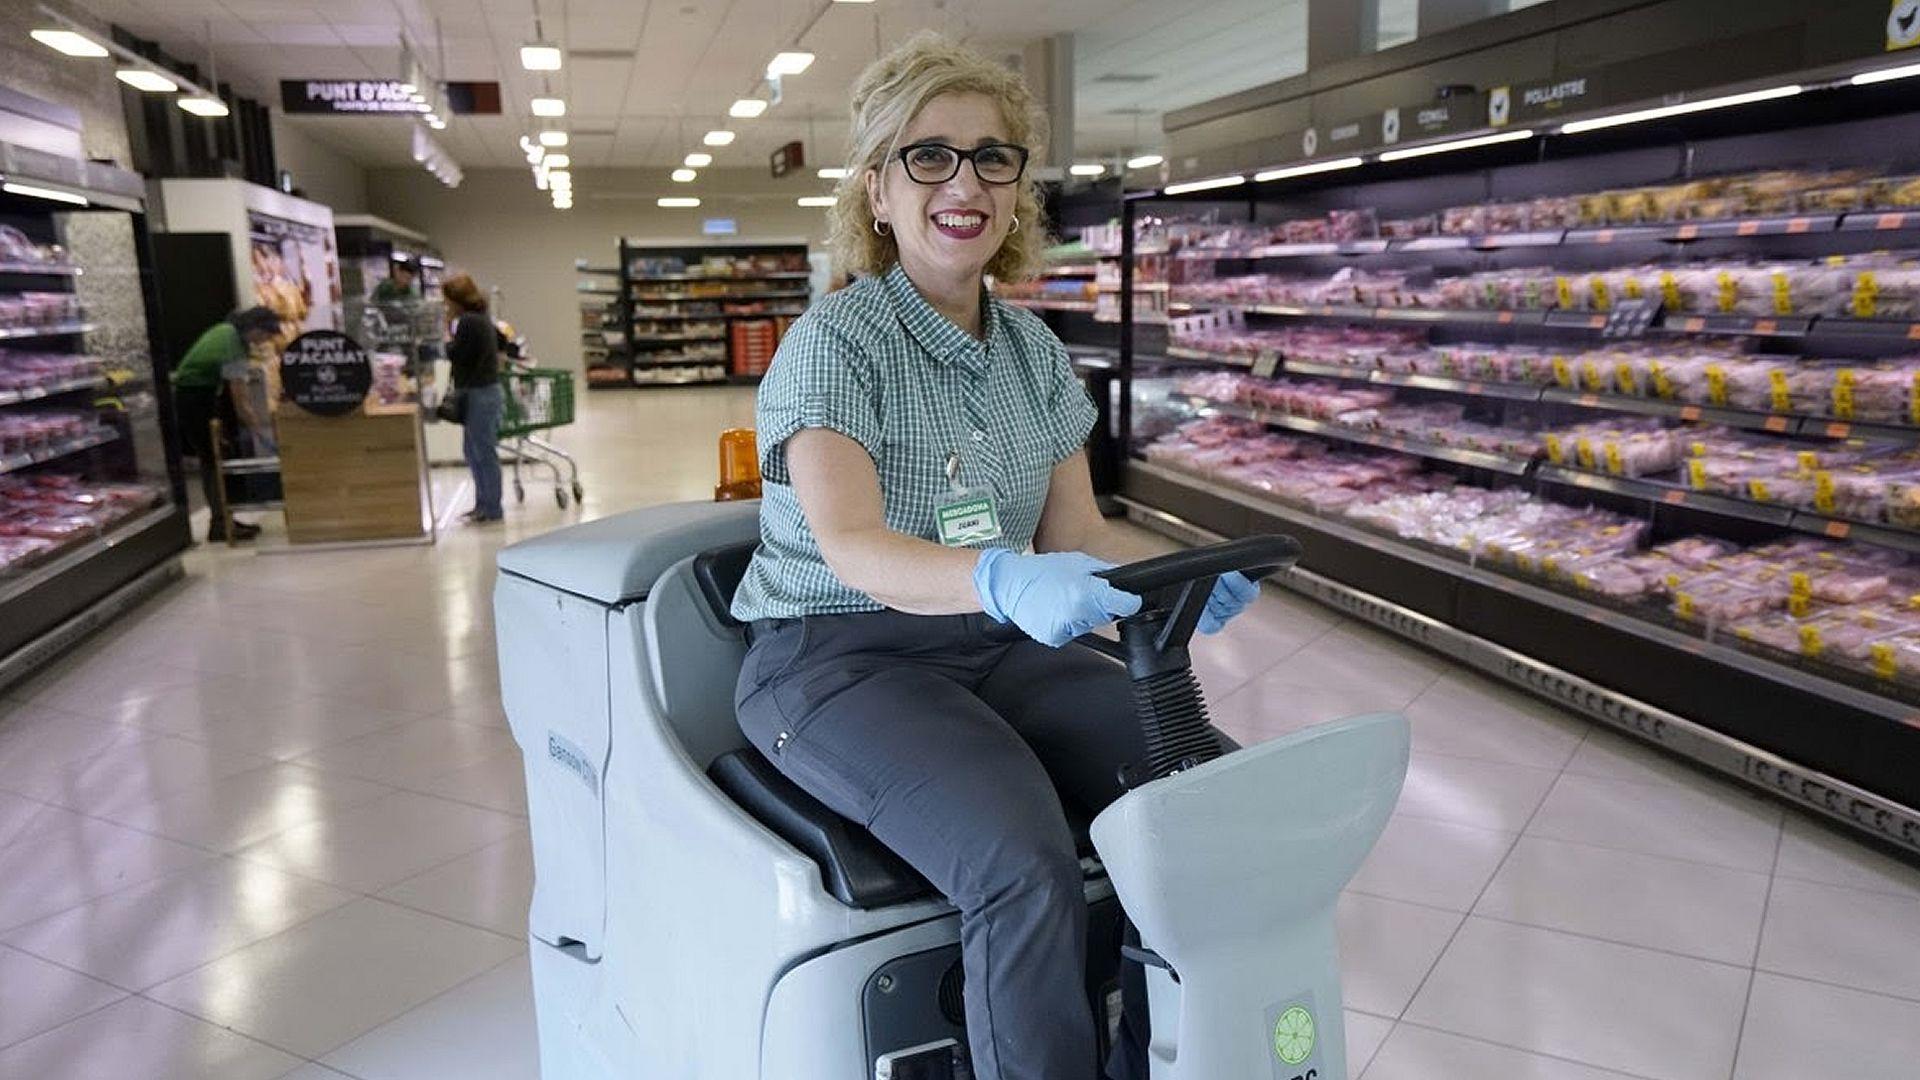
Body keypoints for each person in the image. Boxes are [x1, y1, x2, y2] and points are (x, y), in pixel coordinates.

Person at [727, 33, 1259, 1080]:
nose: (963, 182)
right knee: (1020, 863)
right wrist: (998, 577)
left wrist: (1172, 580)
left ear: (1019, 189)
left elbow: (1077, 541)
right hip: (834, 662)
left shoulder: (1036, 353)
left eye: (992, 157)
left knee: (1203, 800)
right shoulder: (835, 343)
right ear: (877, 190)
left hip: (993, 640)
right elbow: (853, 545)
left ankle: (1162, 1061)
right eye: (929, 156)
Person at [169, 306, 280, 543]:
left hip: (199, 396)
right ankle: (220, 524)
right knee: (213, 459)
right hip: (194, 398)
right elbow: (238, 394)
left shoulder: (226, 332)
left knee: (216, 457)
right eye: (266, 335)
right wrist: (258, 427)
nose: (264, 342)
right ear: (255, 328)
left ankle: (224, 519)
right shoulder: (233, 343)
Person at [442, 272, 503, 523]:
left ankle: (491, 508)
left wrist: (447, 337)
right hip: (484, 391)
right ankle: (484, 504)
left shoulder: (467, 322)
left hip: (479, 393)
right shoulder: (481, 318)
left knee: (482, 452)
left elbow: (458, 355)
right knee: (474, 451)